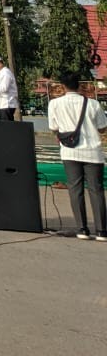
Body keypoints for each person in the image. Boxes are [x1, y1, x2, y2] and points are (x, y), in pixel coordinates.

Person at [47, 72, 107, 240]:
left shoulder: (55, 104)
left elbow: (53, 127)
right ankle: (102, 231)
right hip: (92, 152)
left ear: (63, 86)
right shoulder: (93, 104)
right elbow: (102, 127)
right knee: (96, 190)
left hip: (70, 151)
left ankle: (82, 228)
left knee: (75, 189)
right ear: (79, 85)